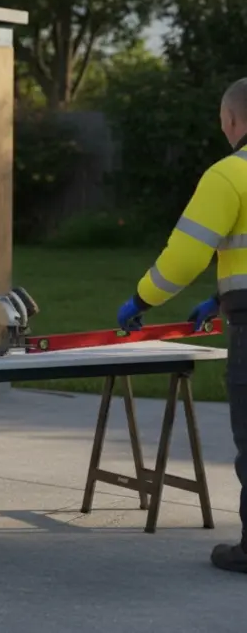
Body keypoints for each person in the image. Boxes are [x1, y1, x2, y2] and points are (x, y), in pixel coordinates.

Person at [116, 77, 247, 574]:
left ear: (232, 120)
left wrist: (142, 299)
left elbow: (186, 256)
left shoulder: (229, 174)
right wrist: (219, 297)